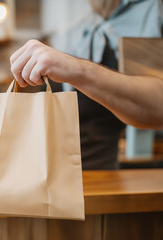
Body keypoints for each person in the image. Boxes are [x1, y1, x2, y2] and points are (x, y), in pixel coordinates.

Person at [10, 0, 163, 170]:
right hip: (44, 176)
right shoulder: (84, 26)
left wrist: (79, 70)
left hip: (91, 180)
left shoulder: (153, 12)